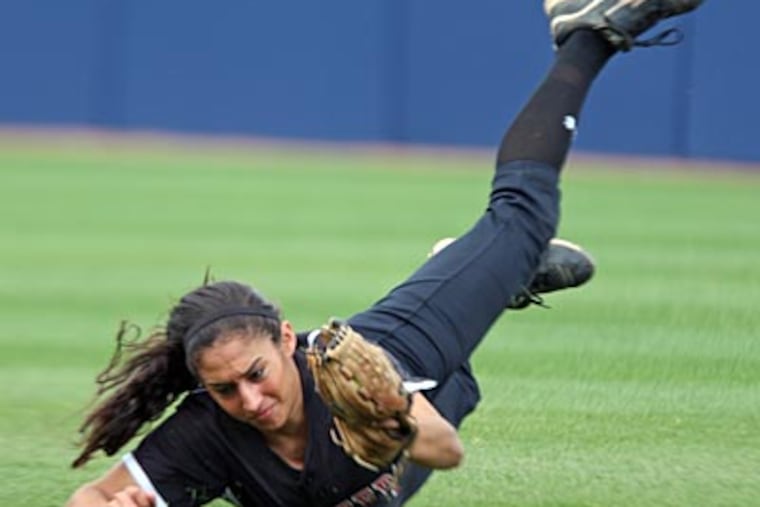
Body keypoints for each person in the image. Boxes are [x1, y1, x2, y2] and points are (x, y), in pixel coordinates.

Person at [65, 1, 704, 505]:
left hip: (409, 354)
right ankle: (487, 279)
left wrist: (394, 410)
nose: (249, 400)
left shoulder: (354, 373)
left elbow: (444, 451)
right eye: (225, 389)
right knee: (462, 367)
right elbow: (95, 494)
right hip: (433, 391)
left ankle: (587, 36)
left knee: (520, 221)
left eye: (255, 373)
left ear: (287, 339)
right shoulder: (204, 435)